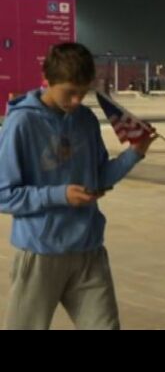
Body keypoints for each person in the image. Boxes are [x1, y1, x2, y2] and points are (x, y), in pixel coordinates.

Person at [0, 42, 155, 329]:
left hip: (88, 250)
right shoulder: (22, 123)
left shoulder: (85, 119)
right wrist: (59, 195)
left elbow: (100, 177)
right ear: (47, 80)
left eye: (83, 93)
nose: (76, 101)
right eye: (69, 92)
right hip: (40, 251)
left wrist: (135, 153)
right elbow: (4, 195)